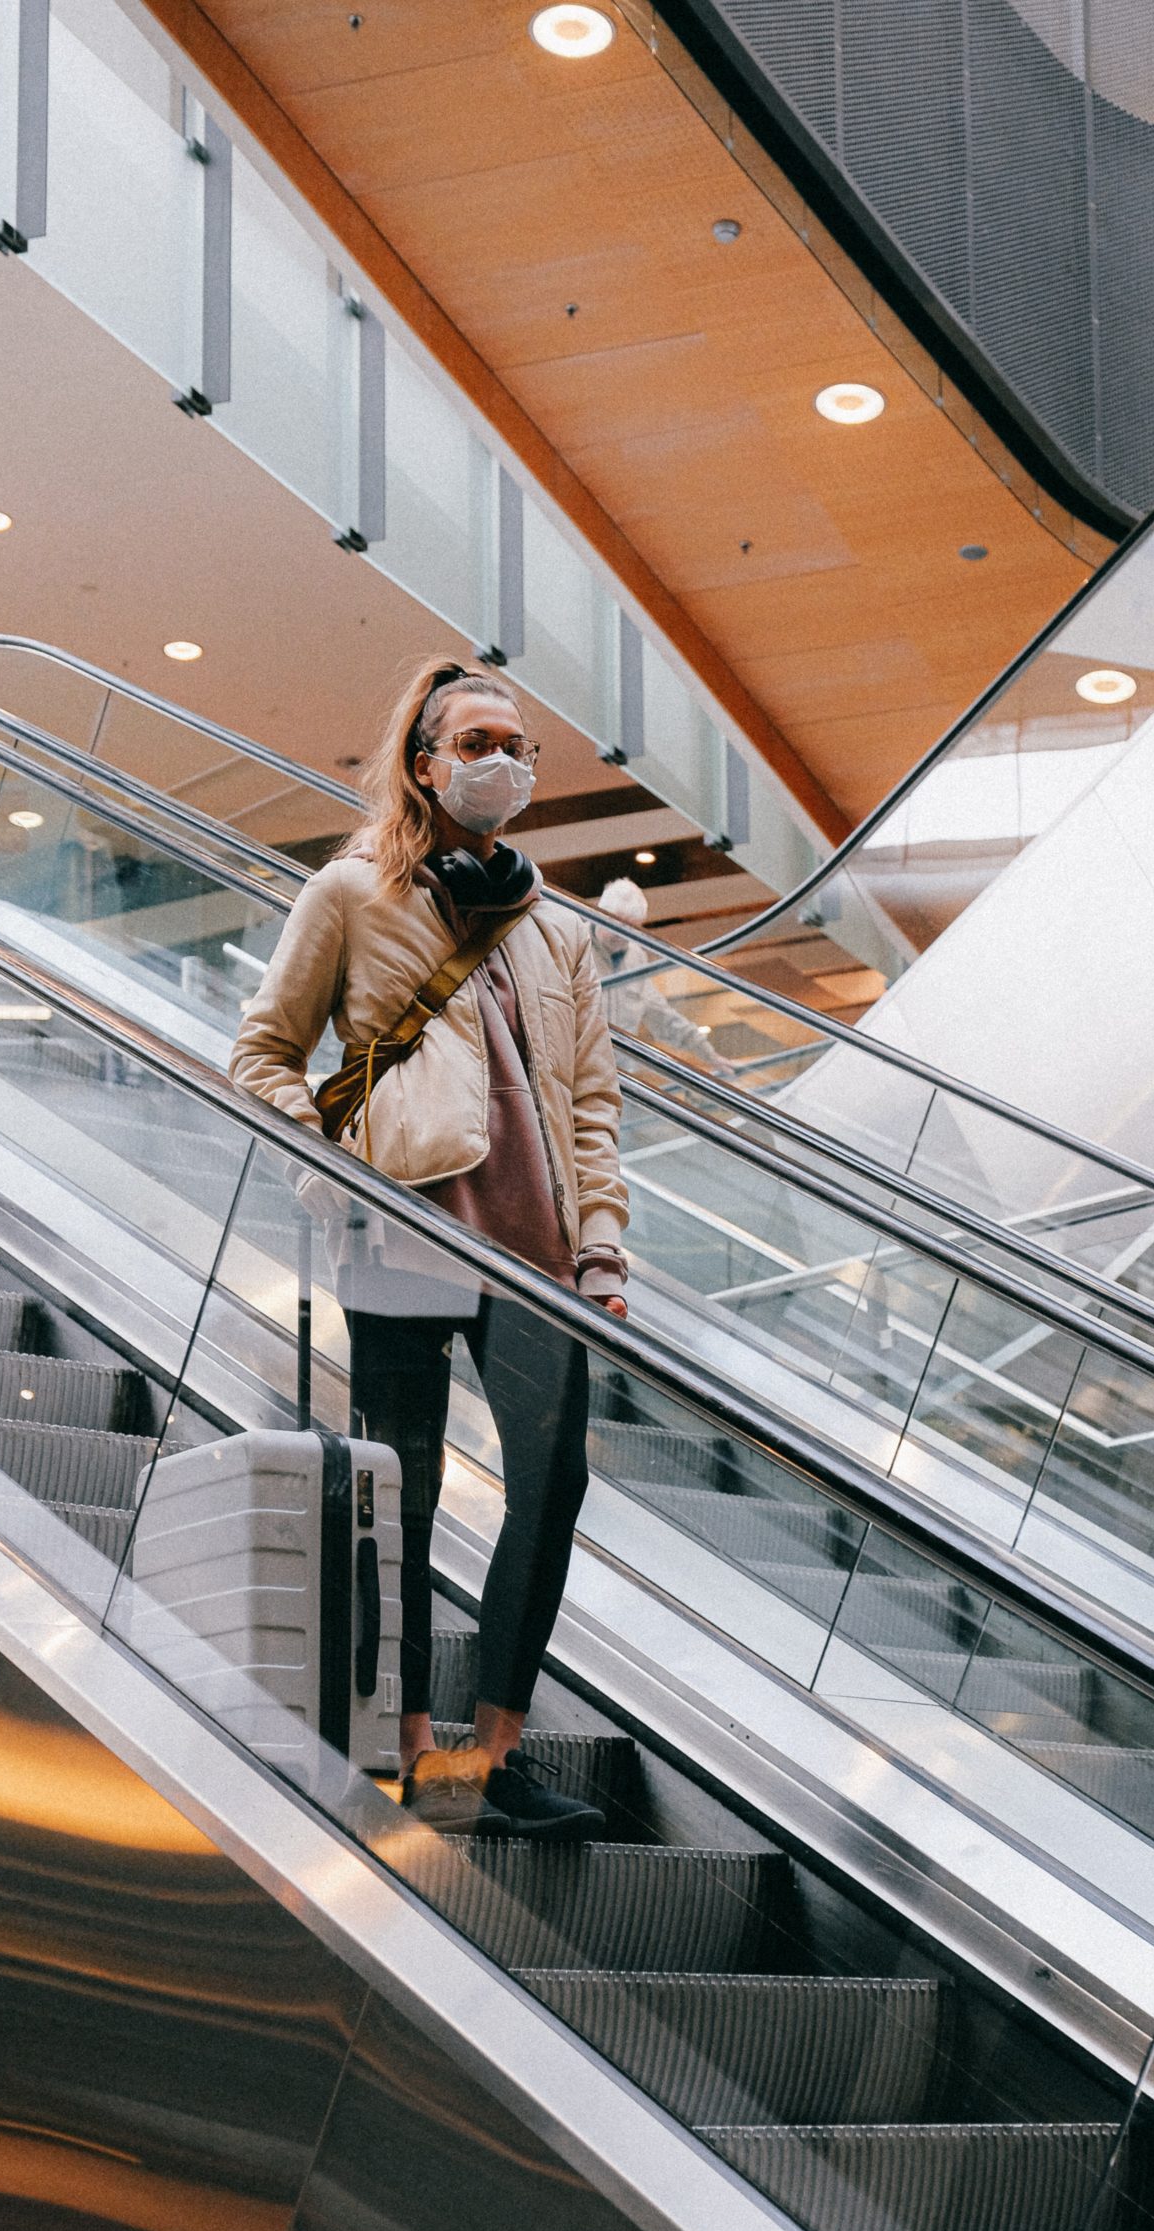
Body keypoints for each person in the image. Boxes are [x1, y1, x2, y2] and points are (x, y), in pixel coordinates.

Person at [231, 661, 630, 1842]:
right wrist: (332, 1181)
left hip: (535, 1257)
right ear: (423, 759)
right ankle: (414, 1756)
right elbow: (262, 1055)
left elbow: (595, 1108)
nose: (500, 760)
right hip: (402, 1234)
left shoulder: (556, 932)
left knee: (553, 1484)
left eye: (517, 743)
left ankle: (492, 1755)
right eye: (474, 741)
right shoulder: (352, 891)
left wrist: (600, 1251)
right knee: (399, 1500)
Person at [594, 875, 723, 1069]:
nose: (622, 936)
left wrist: (709, 1055)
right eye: (618, 925)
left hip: (621, 1075)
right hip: (582, 1070)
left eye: (631, 929)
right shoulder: (574, 946)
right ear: (600, 914)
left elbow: (661, 1015)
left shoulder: (636, 958)